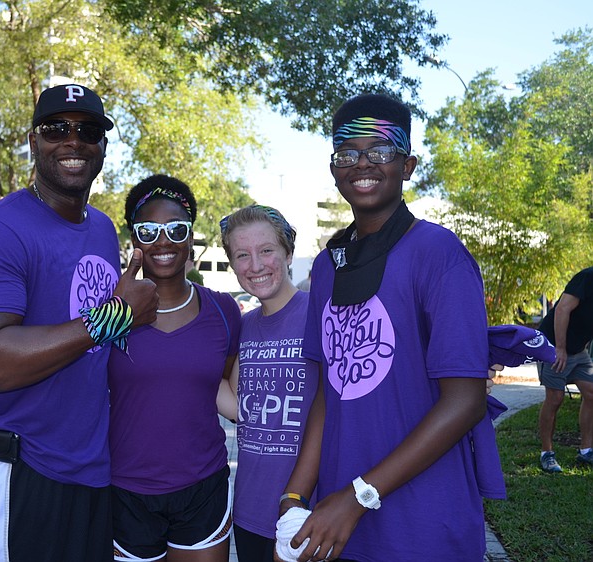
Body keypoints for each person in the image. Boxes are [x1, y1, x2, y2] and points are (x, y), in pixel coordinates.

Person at [0, 83, 158, 562]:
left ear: (103, 147)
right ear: (33, 141)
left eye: (88, 131)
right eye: (56, 129)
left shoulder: (99, 227)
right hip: (17, 469)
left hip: (90, 469)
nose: (73, 141)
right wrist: (115, 315)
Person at [278, 94, 490, 561]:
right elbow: (329, 393)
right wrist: (294, 498)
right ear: (334, 169)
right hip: (339, 523)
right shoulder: (330, 267)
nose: (362, 164)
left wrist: (358, 498)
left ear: (408, 165)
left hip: (422, 523)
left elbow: (466, 400)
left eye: (380, 151)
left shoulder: (439, 254)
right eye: (347, 154)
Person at [108, 175, 240, 562]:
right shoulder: (109, 311)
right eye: (148, 230)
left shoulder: (224, 311)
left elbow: (223, 383)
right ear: (135, 240)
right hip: (126, 489)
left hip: (203, 487)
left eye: (176, 228)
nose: (162, 241)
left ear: (190, 237)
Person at [218, 205, 323, 562]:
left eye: (266, 251)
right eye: (242, 255)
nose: (256, 265)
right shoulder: (244, 327)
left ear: (288, 252)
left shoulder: (320, 314)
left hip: (307, 509)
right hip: (249, 510)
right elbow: (236, 406)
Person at [536, 267, 593, 472]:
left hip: (579, 351)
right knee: (555, 398)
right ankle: (547, 453)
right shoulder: (587, 278)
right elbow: (562, 309)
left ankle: (587, 451)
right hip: (552, 345)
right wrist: (559, 348)